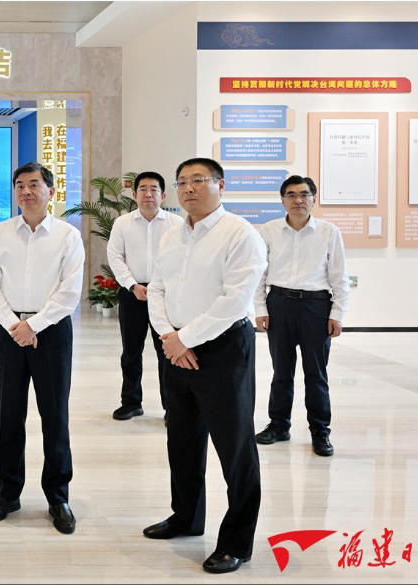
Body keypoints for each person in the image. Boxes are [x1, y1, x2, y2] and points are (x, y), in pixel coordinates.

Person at [145, 158, 267, 574]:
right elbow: (157, 289)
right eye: (182, 182)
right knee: (182, 439)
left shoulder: (240, 233)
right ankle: (186, 517)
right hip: (175, 347)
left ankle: (236, 543)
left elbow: (236, 299)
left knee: (235, 447)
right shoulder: (172, 235)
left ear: (221, 185)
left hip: (223, 349)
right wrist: (170, 337)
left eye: (198, 180)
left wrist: (186, 338)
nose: (189, 188)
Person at [0, 162, 84, 535]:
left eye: (34, 184)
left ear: (50, 191)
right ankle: (7, 493)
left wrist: (33, 325)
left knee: (55, 416)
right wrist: (14, 325)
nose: (26, 191)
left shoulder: (68, 235)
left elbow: (70, 291)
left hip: (51, 332)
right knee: (9, 414)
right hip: (9, 331)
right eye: (20, 185)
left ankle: (58, 496)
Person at [253, 175, 349, 457]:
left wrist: (337, 314)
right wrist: (260, 309)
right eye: (292, 195)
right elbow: (259, 274)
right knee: (281, 372)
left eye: (304, 194)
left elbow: (339, 276)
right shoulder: (269, 230)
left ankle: (320, 431)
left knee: (316, 374)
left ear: (313, 199)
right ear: (282, 200)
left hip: (316, 308)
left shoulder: (328, 232)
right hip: (279, 305)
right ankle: (279, 425)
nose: (298, 200)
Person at [107, 171, 183, 422]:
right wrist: (132, 285)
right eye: (143, 189)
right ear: (134, 194)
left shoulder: (176, 224)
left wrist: (162, 288)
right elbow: (115, 257)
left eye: (153, 189)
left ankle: (172, 407)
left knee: (167, 351)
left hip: (165, 296)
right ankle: (131, 402)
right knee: (131, 351)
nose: (148, 194)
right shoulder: (123, 223)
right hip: (132, 294)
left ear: (163, 195)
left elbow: (182, 259)